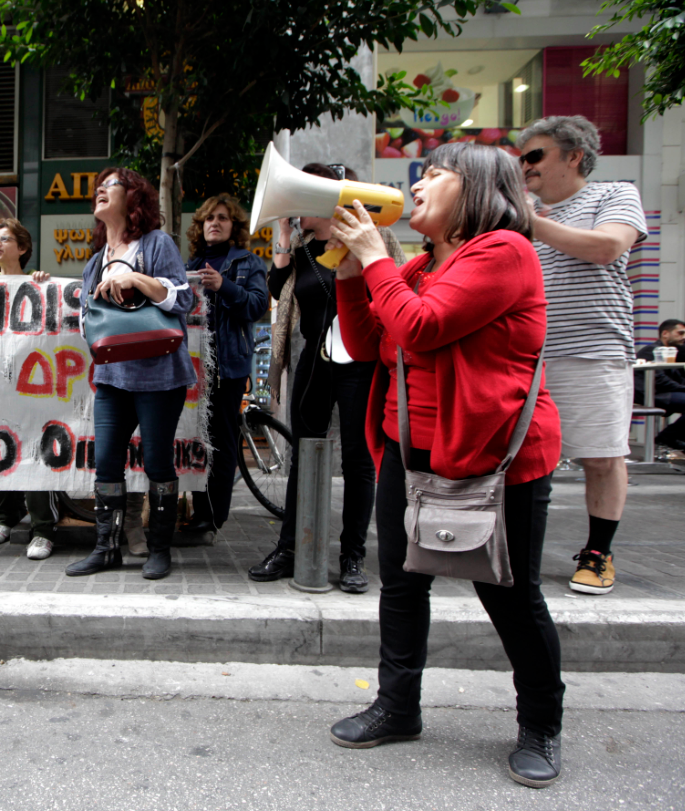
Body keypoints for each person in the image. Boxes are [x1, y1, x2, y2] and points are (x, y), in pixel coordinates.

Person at [325, 143, 565, 788]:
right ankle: (398, 708)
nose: (419, 183)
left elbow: (423, 326)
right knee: (401, 586)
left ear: (480, 188)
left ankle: (541, 723)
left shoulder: (502, 252)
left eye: (435, 174)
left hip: (494, 456)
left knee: (509, 595)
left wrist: (376, 258)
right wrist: (352, 271)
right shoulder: (429, 263)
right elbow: (368, 342)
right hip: (411, 451)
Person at [517, 116, 647, 596]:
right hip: (527, 354)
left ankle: (598, 552)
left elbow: (609, 246)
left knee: (601, 455)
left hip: (593, 347)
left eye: (535, 156)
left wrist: (529, 224)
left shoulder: (613, 194)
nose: (525, 166)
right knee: (525, 459)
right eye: (523, 157)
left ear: (574, 155)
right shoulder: (526, 210)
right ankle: (514, 547)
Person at [248, 164, 378, 594]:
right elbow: (277, 284)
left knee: (359, 460)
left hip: (359, 359)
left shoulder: (370, 237)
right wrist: (284, 232)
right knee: (304, 453)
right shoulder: (303, 250)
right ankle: (291, 547)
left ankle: (352, 554)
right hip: (315, 359)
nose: (295, 207)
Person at [66, 168, 195, 581]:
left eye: (112, 185)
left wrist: (134, 278)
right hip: (112, 378)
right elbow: (90, 325)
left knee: (157, 461)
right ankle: (106, 548)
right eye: (98, 187)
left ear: (133, 197)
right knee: (105, 463)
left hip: (159, 374)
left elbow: (184, 298)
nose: (101, 190)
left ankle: (159, 549)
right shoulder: (93, 263)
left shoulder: (156, 244)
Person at [182, 194, 269, 536]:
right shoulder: (191, 262)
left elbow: (258, 306)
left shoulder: (247, 262)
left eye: (222, 218)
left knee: (220, 439)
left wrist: (225, 286)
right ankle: (199, 510)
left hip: (228, 367)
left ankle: (214, 516)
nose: (214, 223)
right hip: (192, 368)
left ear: (234, 226)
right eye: (208, 219)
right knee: (195, 439)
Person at [0, 218, 63, 561]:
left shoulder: (37, 284)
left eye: (5, 239)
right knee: (0, 448)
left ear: (23, 248)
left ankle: (42, 528)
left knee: (32, 449)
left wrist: (44, 283)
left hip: (31, 385)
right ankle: (4, 515)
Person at [634, 319, 685, 451]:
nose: (683, 337)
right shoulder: (651, 350)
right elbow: (659, 379)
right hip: (650, 393)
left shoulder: (673, 352)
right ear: (665, 333)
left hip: (663, 392)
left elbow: (679, 377)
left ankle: (672, 438)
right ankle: (666, 438)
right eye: (680, 333)